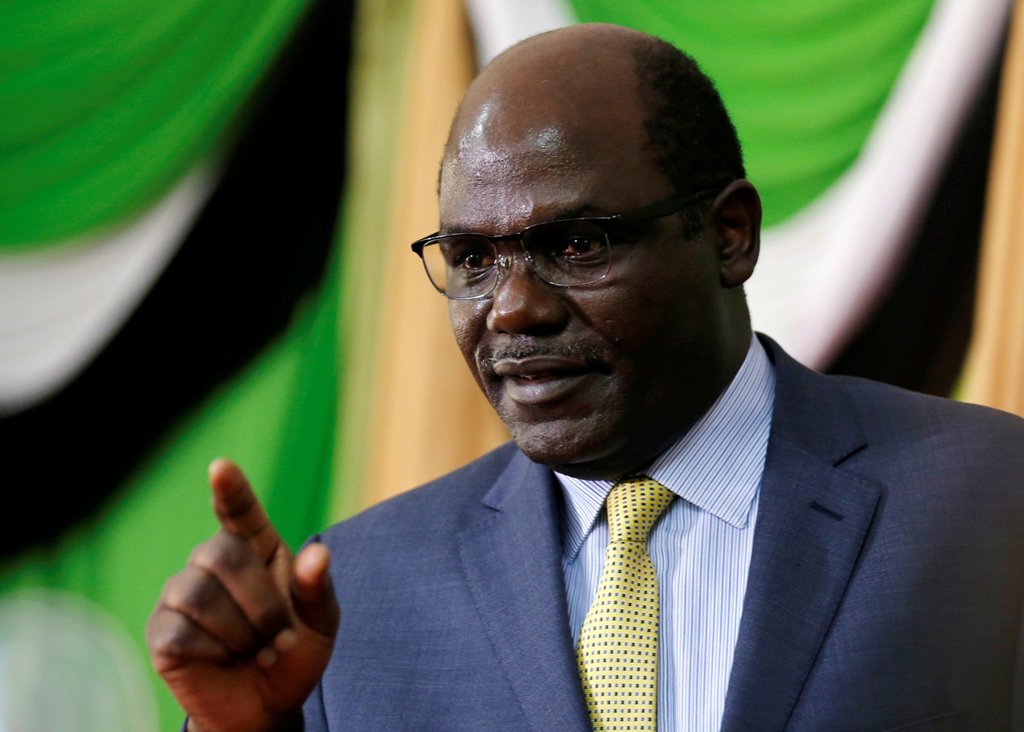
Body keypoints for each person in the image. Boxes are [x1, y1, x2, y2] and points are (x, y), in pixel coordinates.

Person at [147, 23, 1024, 732]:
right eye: (472, 257)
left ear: (729, 237)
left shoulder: (989, 500)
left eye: (577, 244)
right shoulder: (360, 595)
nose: (513, 310)